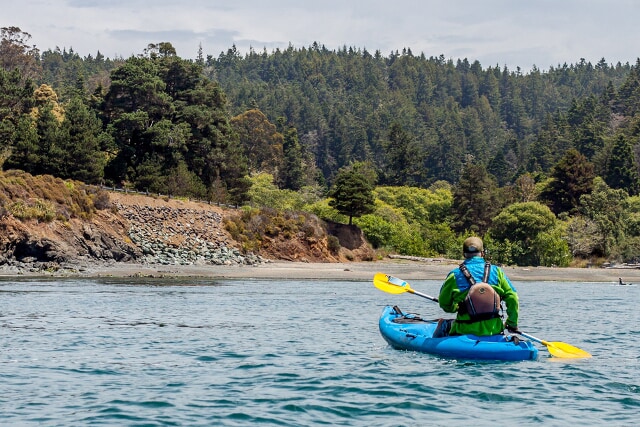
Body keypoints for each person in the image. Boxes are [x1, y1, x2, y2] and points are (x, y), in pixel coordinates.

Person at [436, 236, 519, 337]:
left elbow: (444, 303)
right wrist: (512, 323)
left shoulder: (455, 275)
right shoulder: (497, 272)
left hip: (464, 329)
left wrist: (455, 308)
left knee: (443, 324)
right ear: (482, 254)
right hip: (494, 329)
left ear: (464, 254)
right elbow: (513, 298)